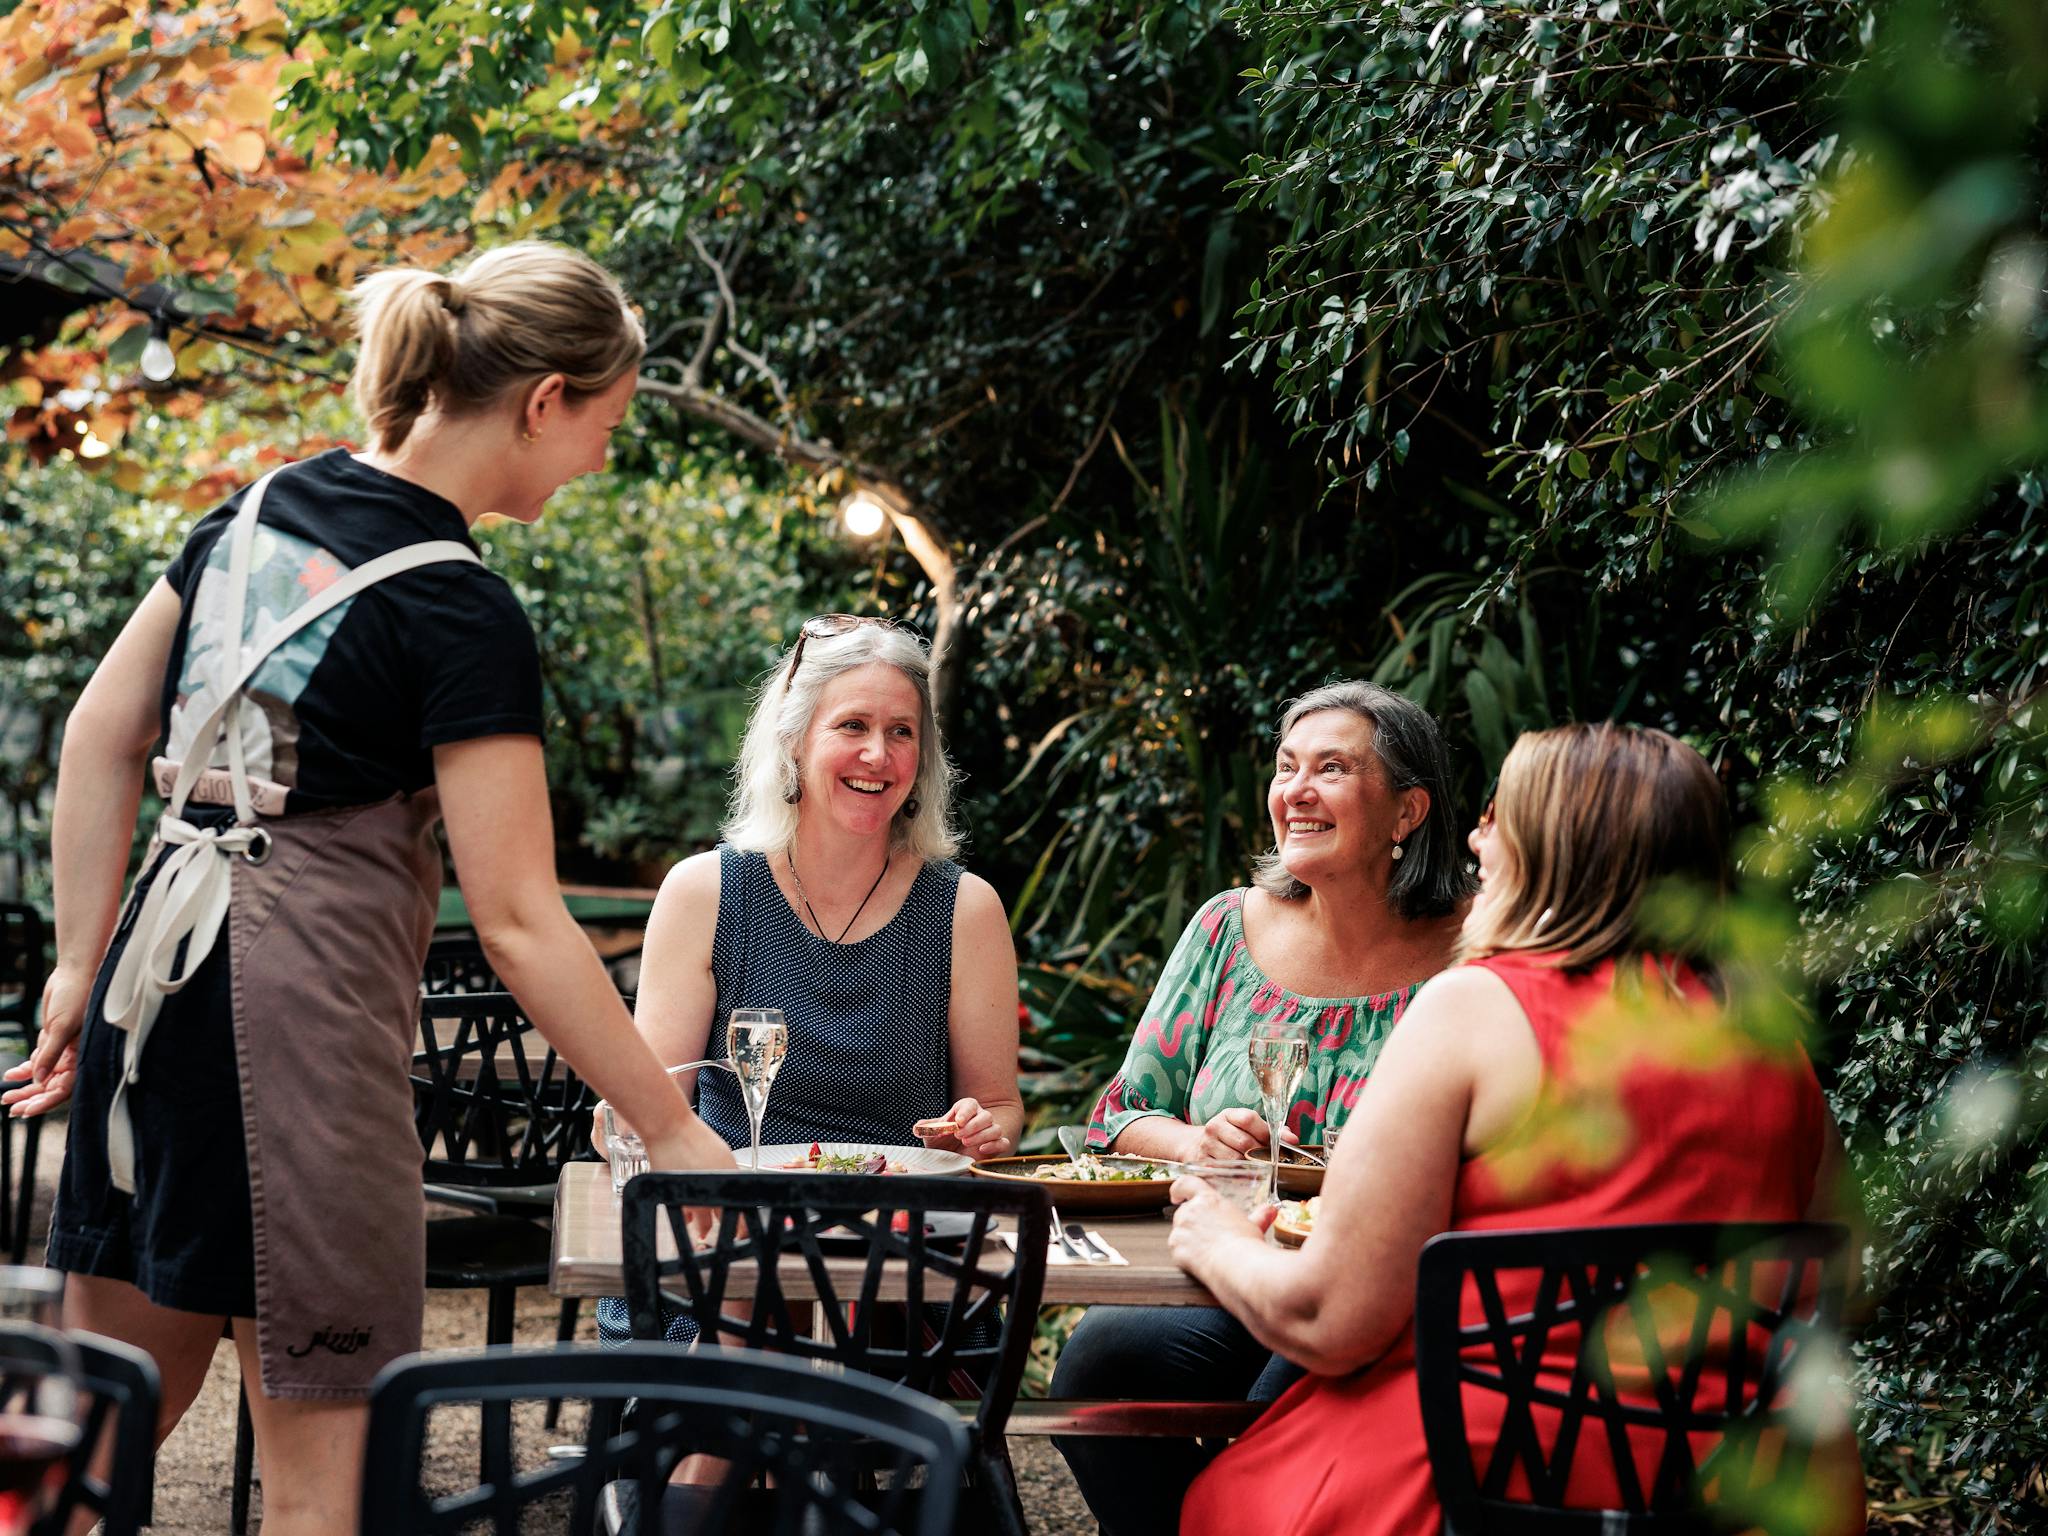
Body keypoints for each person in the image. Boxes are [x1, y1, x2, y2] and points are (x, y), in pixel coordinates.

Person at [3, 242, 732, 1536]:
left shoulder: (252, 513)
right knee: (321, 1499)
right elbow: (517, 919)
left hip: (150, 1000)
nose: (601, 459)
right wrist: (669, 1132)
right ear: (543, 401)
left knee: (77, 1460)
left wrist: (75, 964)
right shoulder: (460, 606)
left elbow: (98, 738)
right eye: (606, 427)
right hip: (298, 1036)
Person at [1170, 722, 1865, 1536]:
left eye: (1496, 816)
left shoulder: (1476, 1007)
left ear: (1555, 848)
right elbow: (1843, 1291)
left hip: (1482, 1480)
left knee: (1219, 1497)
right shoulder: (1772, 1046)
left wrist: (1218, 1239)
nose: (1473, 837)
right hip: (1728, 1488)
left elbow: (1333, 1321)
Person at [1053, 681, 1472, 1536]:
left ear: (1407, 812)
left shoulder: (1474, 950)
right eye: (1287, 768)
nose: (1297, 790)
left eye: (1332, 768)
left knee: (1281, 1408)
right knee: (1097, 1367)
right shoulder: (1225, 929)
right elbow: (1121, 1116)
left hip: (1380, 1286)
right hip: (1230, 1271)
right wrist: (1198, 1141)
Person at [595, 615, 1023, 1344]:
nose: (877, 754)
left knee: (793, 1343)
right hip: (727, 1247)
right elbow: (649, 1109)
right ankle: (752, 1444)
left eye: (902, 732)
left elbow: (1000, 1111)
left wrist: (980, 1130)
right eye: (851, 724)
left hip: (897, 1264)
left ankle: (735, 1450)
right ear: (793, 740)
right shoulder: (707, 894)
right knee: (755, 1298)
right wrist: (627, 1127)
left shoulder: (964, 909)